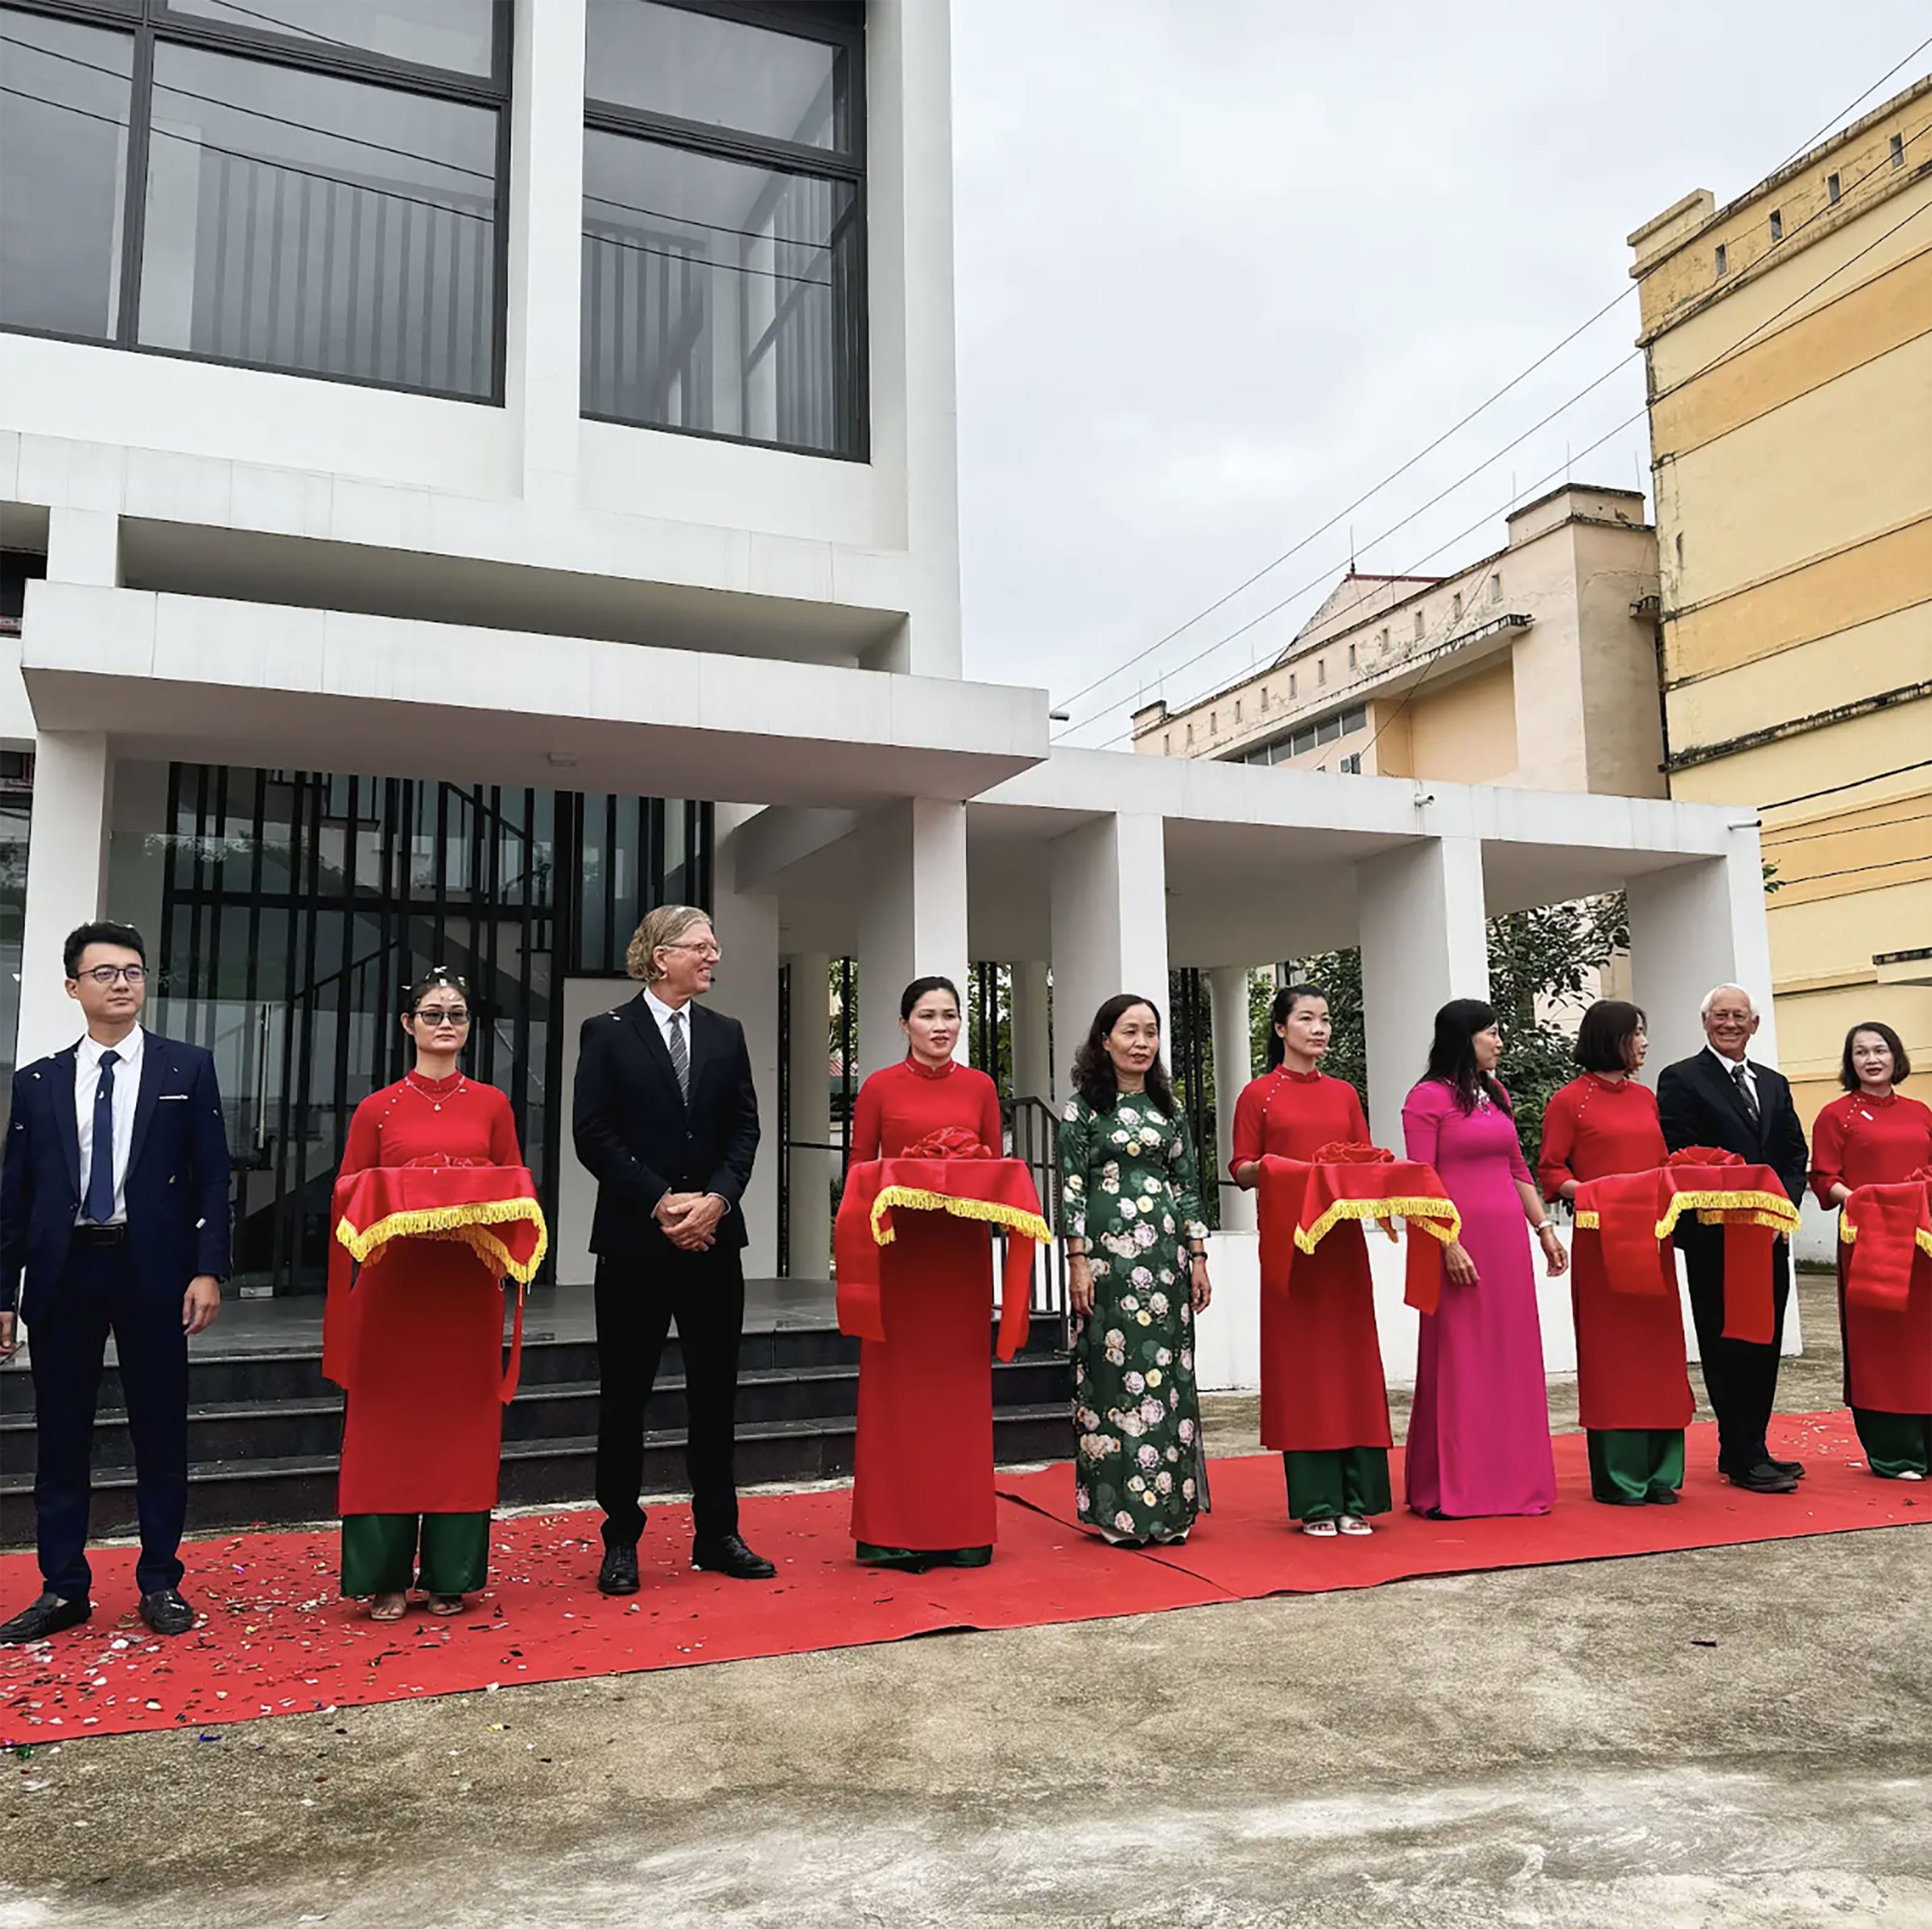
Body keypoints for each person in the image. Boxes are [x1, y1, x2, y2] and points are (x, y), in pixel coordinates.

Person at [0, 921, 228, 1644]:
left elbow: (213, 1177)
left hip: (153, 1271)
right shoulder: (36, 1082)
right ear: (74, 987)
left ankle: (160, 1581)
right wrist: (3, 1295)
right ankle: (63, 1587)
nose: (122, 983)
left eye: (133, 971)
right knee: (60, 1436)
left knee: (160, 1430)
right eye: (104, 973)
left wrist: (208, 1268)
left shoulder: (185, 1069)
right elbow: (16, 1196)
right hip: (65, 1272)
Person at [572, 903, 772, 1592]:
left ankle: (718, 1533)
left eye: (714, 946)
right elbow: (593, 1134)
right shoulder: (607, 1032)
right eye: (701, 945)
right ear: (661, 956)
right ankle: (620, 1539)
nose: (713, 955)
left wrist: (716, 1200)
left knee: (715, 1394)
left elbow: (745, 1131)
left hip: (715, 1243)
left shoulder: (727, 1033)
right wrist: (660, 1199)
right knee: (624, 1396)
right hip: (634, 1243)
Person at [326, 969, 531, 1620]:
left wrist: (465, 1181)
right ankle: (383, 1575)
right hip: (395, 1289)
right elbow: (345, 1193)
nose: (447, 1024)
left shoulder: (493, 1105)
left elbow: (516, 1187)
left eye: (459, 1014)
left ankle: (451, 1573)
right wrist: (407, 1184)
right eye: (433, 1013)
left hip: (466, 1289)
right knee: (387, 1429)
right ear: (407, 1024)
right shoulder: (376, 1109)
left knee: (461, 1428)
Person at [845, 977, 1007, 1569]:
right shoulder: (880, 1088)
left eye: (950, 1016)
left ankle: (963, 1528)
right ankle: (889, 1530)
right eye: (927, 1016)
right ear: (904, 1023)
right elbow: (860, 1169)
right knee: (896, 1392)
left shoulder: (981, 1087)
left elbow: (994, 1166)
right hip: (902, 1256)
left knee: (959, 1391)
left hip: (960, 1258)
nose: (940, 1027)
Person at [1229, 984, 1393, 1537]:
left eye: (1324, 1019)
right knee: (1304, 1372)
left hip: (1343, 1246)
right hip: (1290, 1248)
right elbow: (1242, 1168)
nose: (1318, 1028)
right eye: (1305, 1019)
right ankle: (1317, 1502)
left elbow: (1365, 1161)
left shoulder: (1345, 1093)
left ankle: (1358, 1498)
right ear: (1280, 1030)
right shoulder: (1258, 1095)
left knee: (1350, 1366)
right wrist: (1287, 1168)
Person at [1401, 999, 1567, 1518]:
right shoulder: (1426, 1099)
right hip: (1459, 1242)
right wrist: (1447, 1243)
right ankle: (1451, 1487)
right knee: (1461, 1358)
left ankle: (1512, 1482)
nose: (1499, 1042)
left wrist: (1544, 1230)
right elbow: (1419, 1180)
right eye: (1490, 1034)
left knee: (1509, 1355)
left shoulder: (1496, 1094)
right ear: (1463, 1038)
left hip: (1508, 1247)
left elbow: (1517, 1167)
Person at [1059, 994, 1212, 1546]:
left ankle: (1168, 1511)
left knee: (1164, 1379)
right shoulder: (1082, 1111)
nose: (1141, 1043)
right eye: (1129, 1032)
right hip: (1103, 1263)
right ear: (1104, 1041)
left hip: (1165, 1261)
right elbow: (1071, 1191)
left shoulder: (1169, 1111)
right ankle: (1118, 1513)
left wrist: (1198, 1257)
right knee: (1110, 1376)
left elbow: (1188, 1188)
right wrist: (1076, 1262)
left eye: (1150, 1032)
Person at [1656, 984, 1809, 1493]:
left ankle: (1752, 1446)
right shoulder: (1680, 1078)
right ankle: (1740, 1452)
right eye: (1719, 1015)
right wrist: (1738, 1203)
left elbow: (1792, 1153)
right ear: (1705, 1023)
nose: (1729, 1023)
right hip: (1716, 1235)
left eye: (1738, 1016)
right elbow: (1680, 1151)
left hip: (1768, 1235)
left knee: (1765, 1341)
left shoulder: (1774, 1083)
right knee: (1726, 1344)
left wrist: (1776, 1204)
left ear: (1754, 1025)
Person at [1538, 1000, 1690, 1507]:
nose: (1644, 1042)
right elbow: (1552, 1172)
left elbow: (1661, 1163)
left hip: (1654, 1235)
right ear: (1612, 1038)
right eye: (1637, 1033)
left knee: (1659, 1351)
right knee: (1614, 1354)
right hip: (1603, 1241)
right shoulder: (1569, 1101)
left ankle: (1662, 1474)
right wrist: (1590, 1193)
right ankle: (1620, 1475)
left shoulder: (1646, 1098)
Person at [1809, 1020, 1932, 1481]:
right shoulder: (1835, 1115)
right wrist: (1864, 1201)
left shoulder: (1921, 1112)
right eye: (1861, 1052)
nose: (1872, 1059)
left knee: (1925, 1342)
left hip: (1922, 1244)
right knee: (1882, 1344)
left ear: (1896, 1057)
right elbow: (1823, 1178)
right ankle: (1896, 1453)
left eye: (1880, 1050)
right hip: (1869, 1239)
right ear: (1850, 1063)